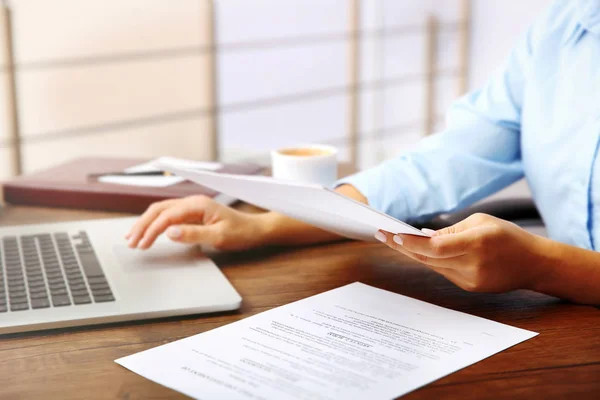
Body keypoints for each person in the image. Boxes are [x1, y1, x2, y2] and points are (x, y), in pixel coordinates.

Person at [126, 1, 600, 305]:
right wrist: (267, 225)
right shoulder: (564, 27)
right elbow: (445, 161)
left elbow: (546, 265)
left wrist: (546, 266)